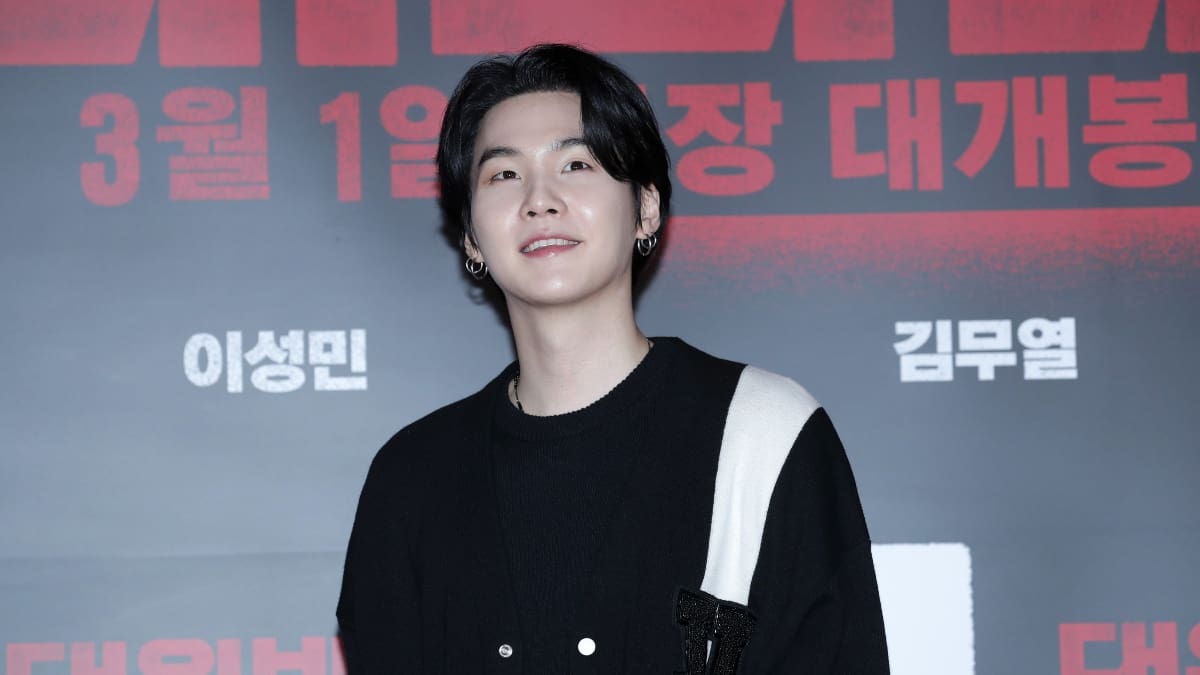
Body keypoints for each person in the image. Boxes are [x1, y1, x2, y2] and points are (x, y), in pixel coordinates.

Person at [336, 43, 889, 674]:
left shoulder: (762, 433)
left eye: (576, 164)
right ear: (470, 236)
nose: (540, 200)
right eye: (504, 175)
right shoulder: (413, 477)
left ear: (645, 208)